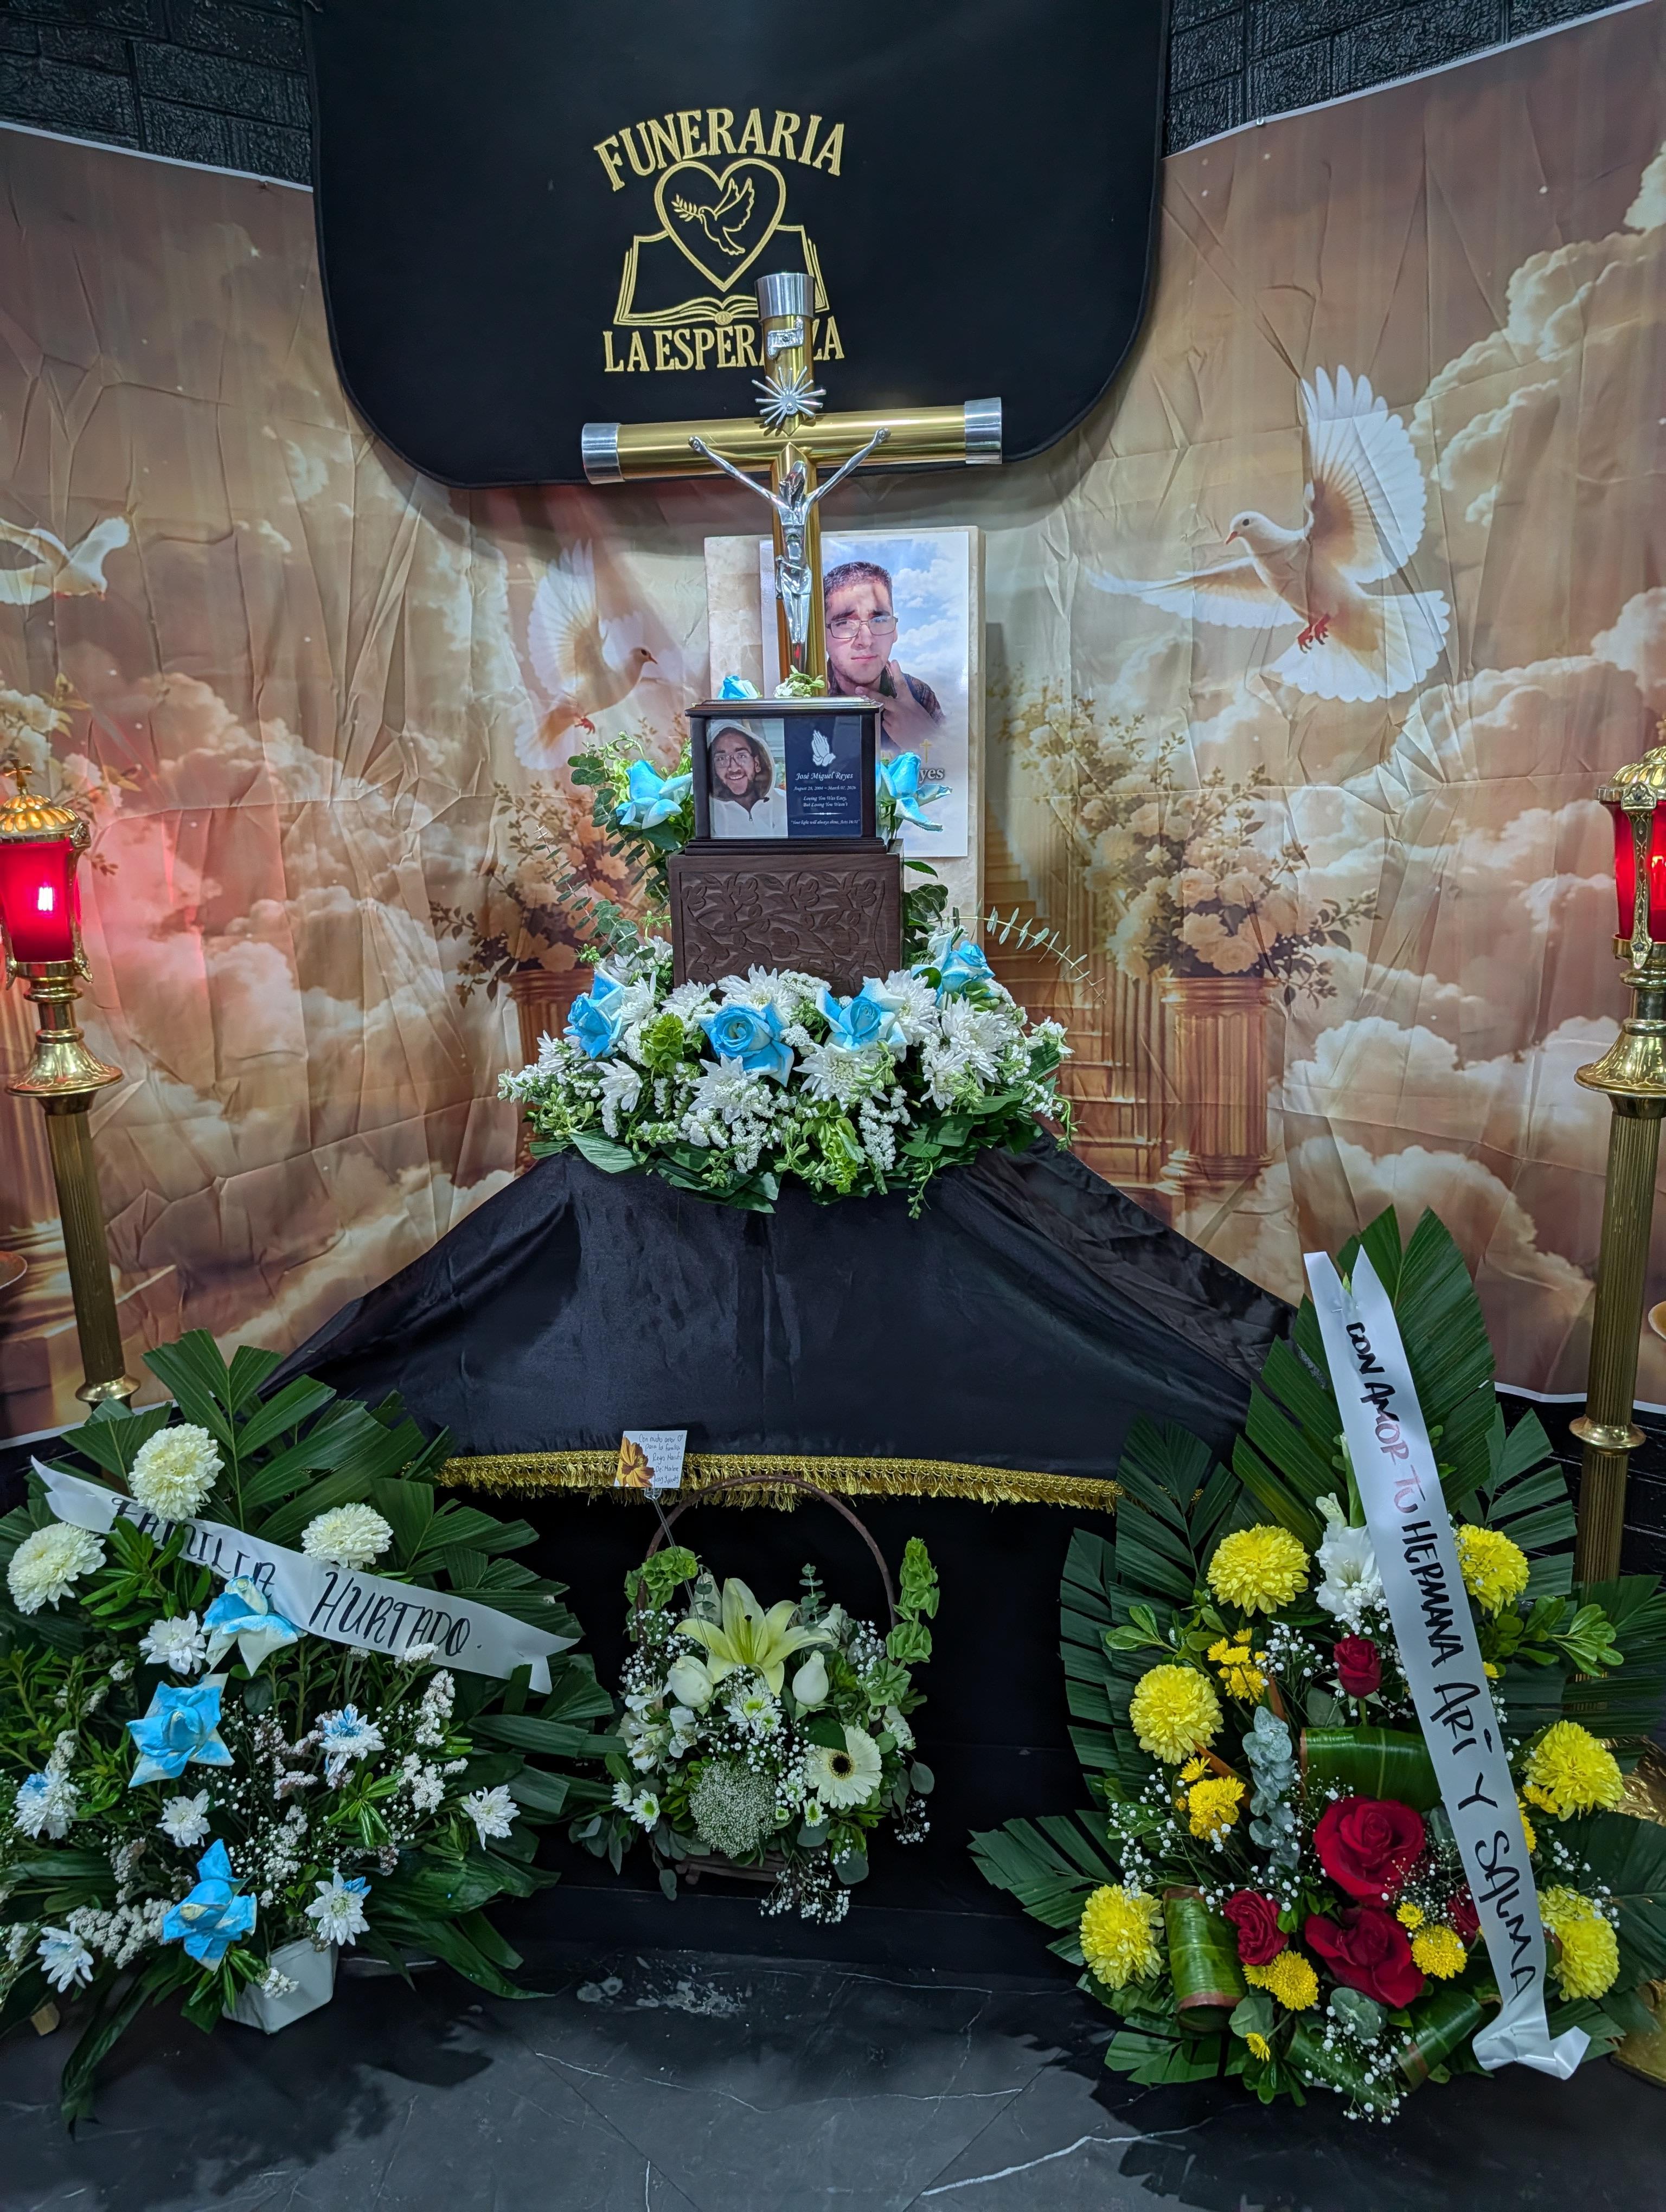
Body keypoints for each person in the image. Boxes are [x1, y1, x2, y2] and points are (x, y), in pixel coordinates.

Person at [823, 560, 945, 752]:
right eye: (845, 623)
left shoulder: (920, 696)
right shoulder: (806, 699)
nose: (866, 640)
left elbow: (955, 774)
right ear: (823, 636)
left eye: (879, 620)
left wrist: (928, 741)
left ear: (894, 631)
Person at [707, 721, 787, 836]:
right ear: (713, 769)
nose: (733, 767)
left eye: (741, 756)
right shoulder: (710, 815)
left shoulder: (785, 803)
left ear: (757, 763)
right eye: (721, 759)